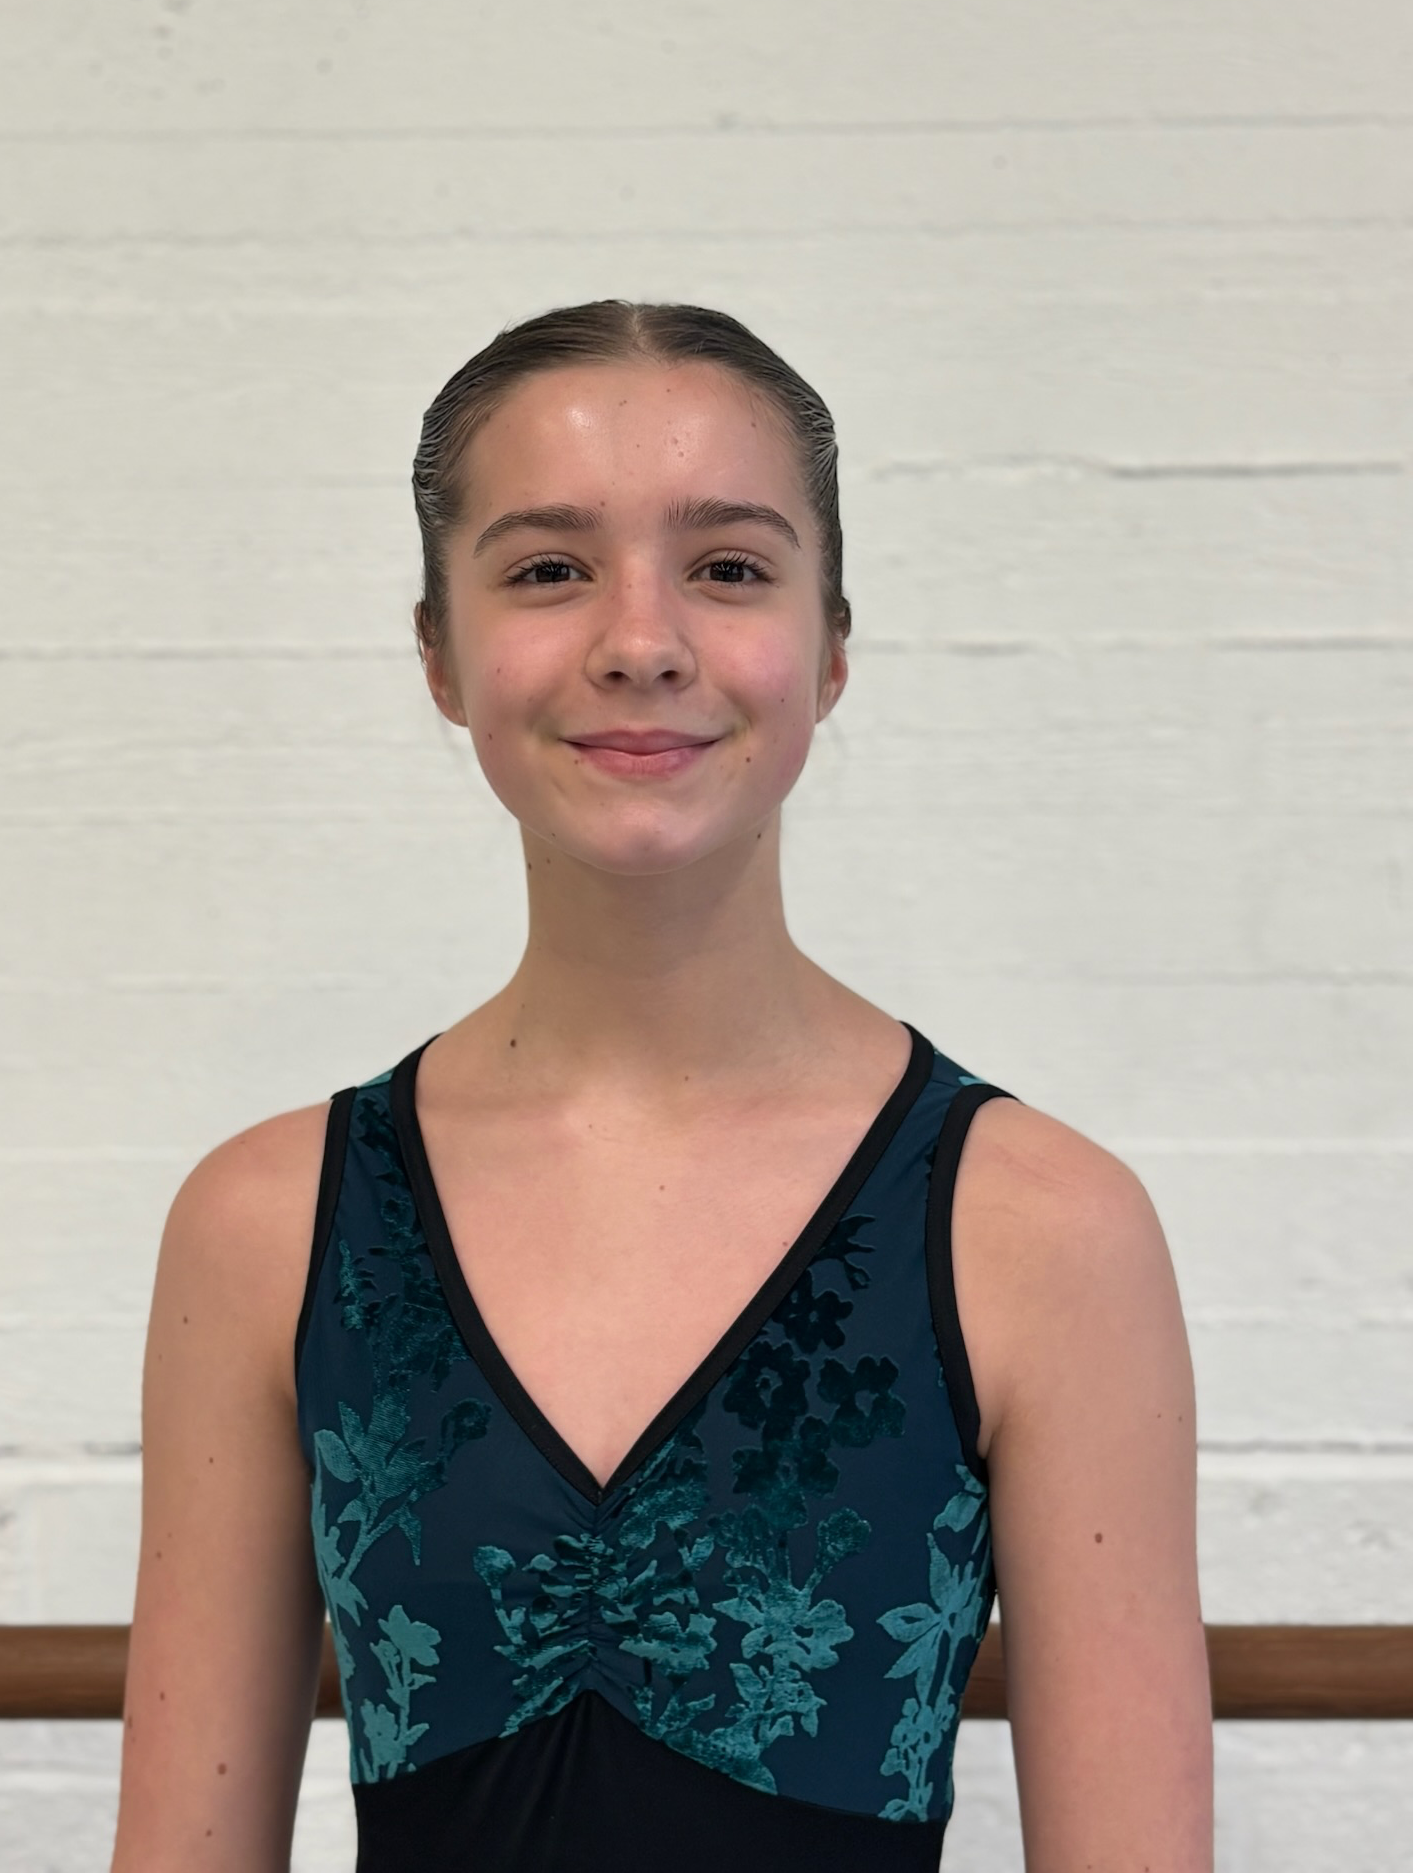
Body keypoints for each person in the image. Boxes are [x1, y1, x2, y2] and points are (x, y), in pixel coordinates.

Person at [110, 299, 1213, 1872]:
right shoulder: (272, 1224)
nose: (641, 640)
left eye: (731, 568)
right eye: (549, 570)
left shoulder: (1040, 1228)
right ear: (439, 652)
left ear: (834, 647)